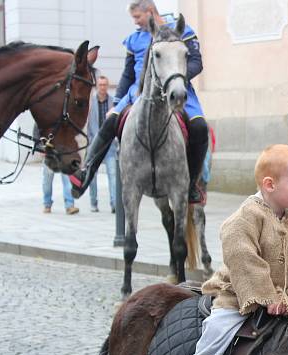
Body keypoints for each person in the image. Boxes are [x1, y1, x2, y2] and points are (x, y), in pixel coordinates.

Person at [182, 144, 288, 355]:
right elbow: (242, 256)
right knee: (218, 329)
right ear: (269, 184)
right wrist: (266, 298)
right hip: (238, 293)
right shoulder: (246, 217)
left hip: (285, 301)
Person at [69, 0, 208, 204]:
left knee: (199, 127)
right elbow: (127, 74)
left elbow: (196, 61)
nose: (135, 22)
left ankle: (191, 185)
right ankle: (85, 174)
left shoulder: (182, 30)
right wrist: (116, 103)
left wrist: (176, 78)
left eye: (137, 17)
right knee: (109, 124)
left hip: (177, 88)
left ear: (150, 12)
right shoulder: (134, 39)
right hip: (138, 93)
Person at [86, 75, 119, 213]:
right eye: (100, 85)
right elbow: (88, 125)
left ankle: (114, 204)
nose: (102, 87)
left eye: (105, 85)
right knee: (91, 176)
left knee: (112, 174)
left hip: (110, 145)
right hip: (94, 144)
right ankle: (93, 203)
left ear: (108, 86)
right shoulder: (90, 104)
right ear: (97, 86)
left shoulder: (113, 102)